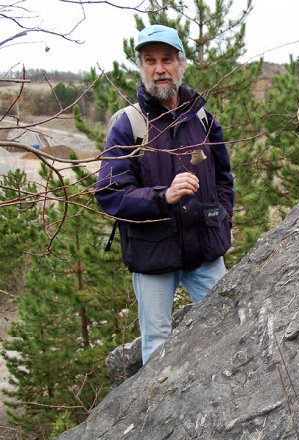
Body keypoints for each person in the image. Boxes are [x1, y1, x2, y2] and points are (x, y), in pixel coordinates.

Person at [95, 24, 234, 365]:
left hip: (204, 251)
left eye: (167, 59)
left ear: (181, 64)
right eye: (150, 60)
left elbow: (223, 179)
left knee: (231, 325)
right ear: (141, 67)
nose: (159, 69)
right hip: (153, 256)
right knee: (157, 345)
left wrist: (221, 221)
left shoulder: (201, 117)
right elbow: (111, 193)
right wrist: (163, 196)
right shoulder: (128, 124)